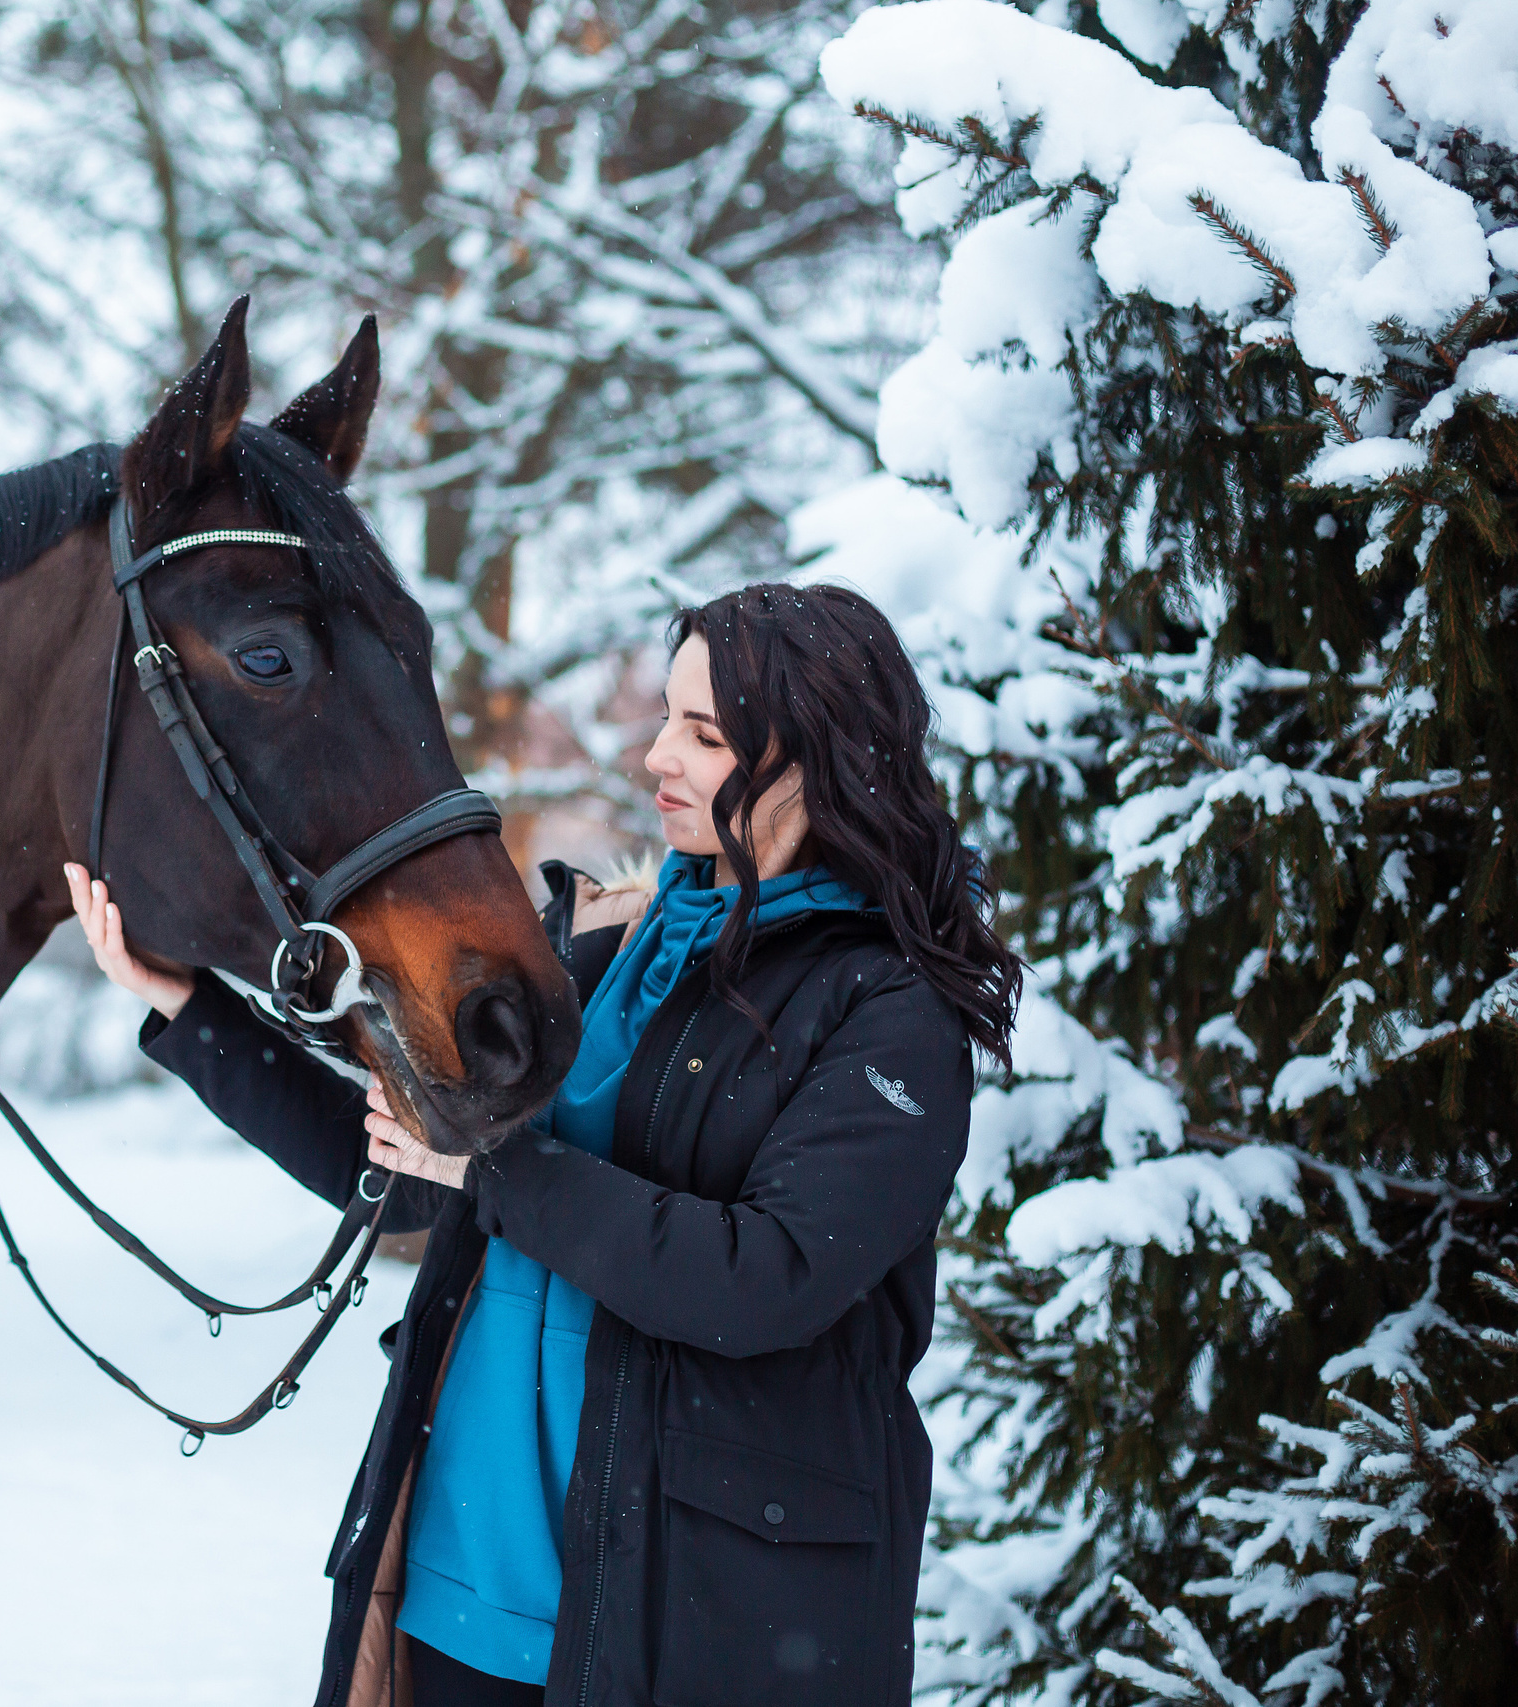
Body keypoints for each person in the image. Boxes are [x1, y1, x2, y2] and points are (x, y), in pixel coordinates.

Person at [61, 582, 1021, 1707]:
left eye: (703, 735)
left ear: (817, 758)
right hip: (459, 1588)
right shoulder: (610, 950)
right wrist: (187, 1008)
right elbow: (405, 1180)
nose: (655, 755)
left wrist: (497, 1170)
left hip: (689, 1620)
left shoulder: (884, 1005)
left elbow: (764, 1279)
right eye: (664, 716)